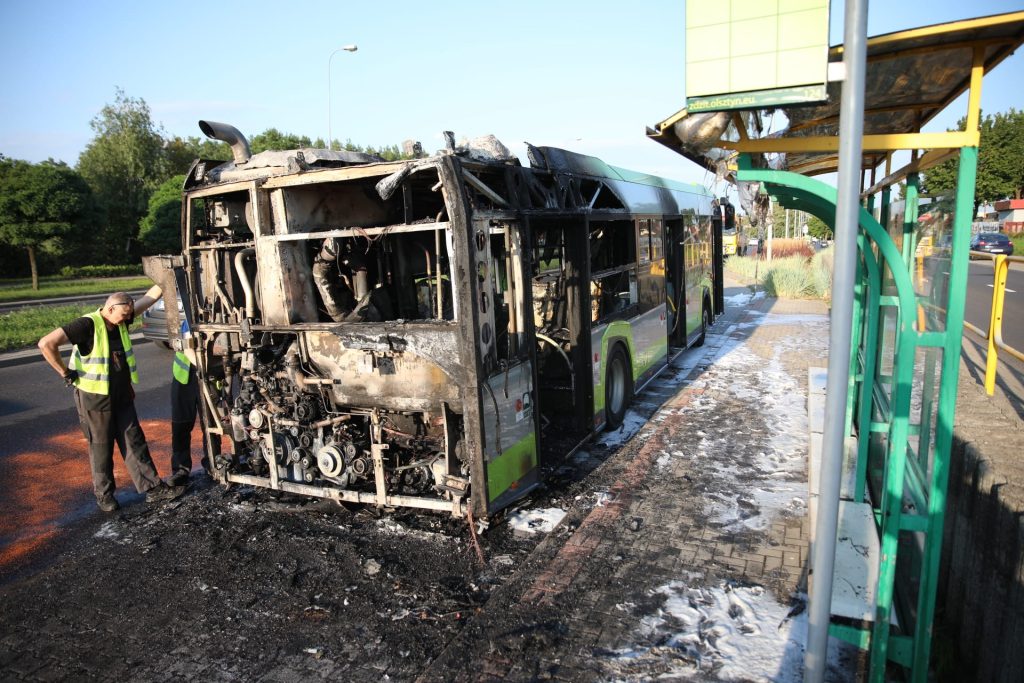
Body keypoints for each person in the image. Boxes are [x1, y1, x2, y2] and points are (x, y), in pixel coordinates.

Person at [38, 286, 186, 512]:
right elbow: (46, 343)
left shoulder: (122, 318)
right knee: (101, 447)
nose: (127, 320)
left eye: (129, 315)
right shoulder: (87, 325)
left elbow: (148, 298)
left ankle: (152, 489)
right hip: (94, 398)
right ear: (109, 308)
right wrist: (65, 373)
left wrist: (167, 276)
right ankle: (104, 495)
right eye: (124, 315)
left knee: (134, 441)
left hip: (121, 395)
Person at [168, 317, 205, 486]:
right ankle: (181, 469)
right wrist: (203, 367)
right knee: (181, 425)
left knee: (213, 424)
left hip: (211, 376)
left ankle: (214, 462)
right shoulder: (191, 316)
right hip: (185, 378)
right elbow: (188, 347)